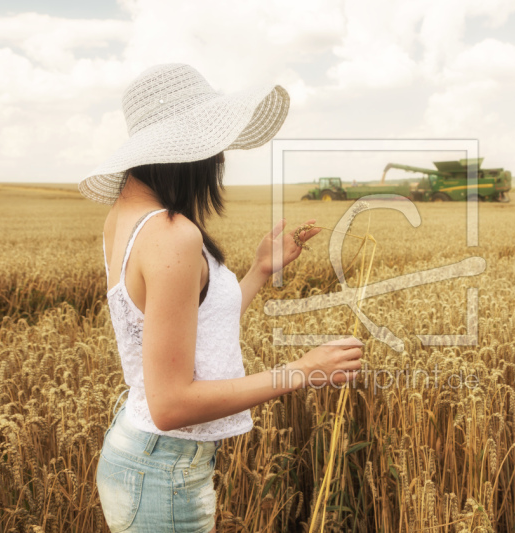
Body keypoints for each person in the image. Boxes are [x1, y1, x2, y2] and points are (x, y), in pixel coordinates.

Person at [79, 63, 362, 533]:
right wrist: (301, 372)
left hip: (143, 458)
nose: (220, 158)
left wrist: (259, 272)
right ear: (187, 150)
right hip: (162, 474)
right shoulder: (173, 234)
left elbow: (190, 323)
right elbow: (171, 404)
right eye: (215, 146)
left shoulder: (126, 216)